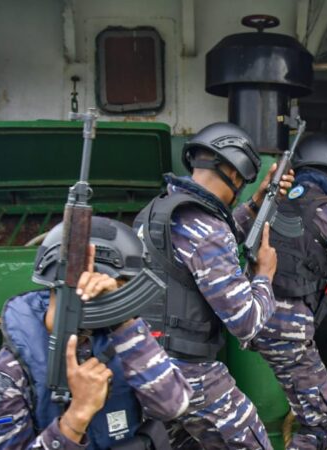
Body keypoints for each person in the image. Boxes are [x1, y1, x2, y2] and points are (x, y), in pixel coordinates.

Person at [134, 122, 293, 450]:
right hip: (190, 373)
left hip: (146, 367)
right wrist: (264, 275)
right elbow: (246, 322)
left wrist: (257, 202)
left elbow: (204, 243)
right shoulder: (207, 229)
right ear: (235, 174)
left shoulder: (158, 211)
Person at [0, 216, 193, 450]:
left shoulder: (126, 342)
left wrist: (123, 320)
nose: (123, 301)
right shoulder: (4, 377)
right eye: (120, 290)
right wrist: (77, 415)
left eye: (121, 293)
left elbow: (173, 406)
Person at [251, 133, 327, 450]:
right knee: (320, 417)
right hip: (289, 327)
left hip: (255, 316)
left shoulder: (275, 202)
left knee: (310, 406)